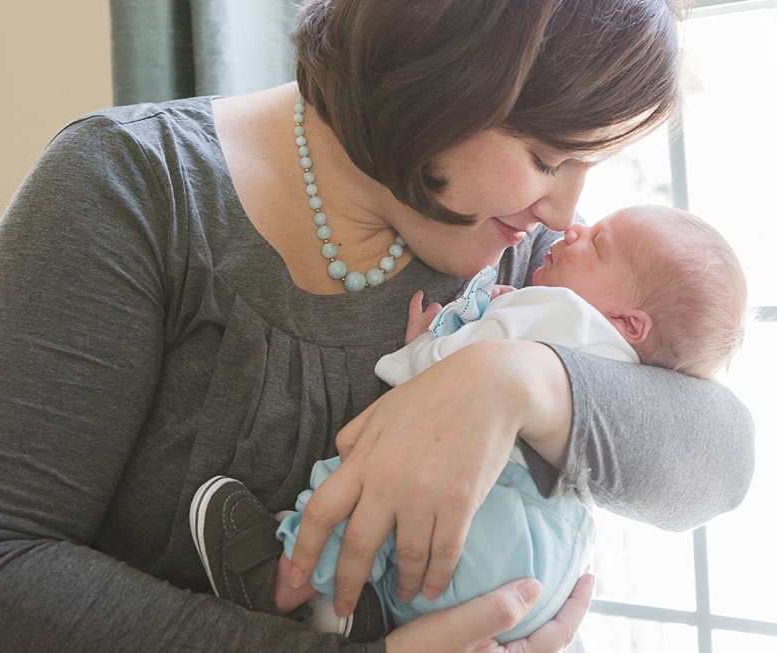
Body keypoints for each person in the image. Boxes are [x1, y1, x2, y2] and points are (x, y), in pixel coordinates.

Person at [0, 0, 755, 651]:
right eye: (546, 157)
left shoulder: (526, 260)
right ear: (443, 75)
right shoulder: (134, 190)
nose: (566, 208)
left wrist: (516, 380)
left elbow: (720, 460)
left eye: (588, 164)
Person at [188, 204, 748, 643]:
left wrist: (424, 348)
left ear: (630, 323)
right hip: (546, 570)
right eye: (546, 158)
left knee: (373, 464)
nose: (570, 225)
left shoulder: (561, 307)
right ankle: (353, 619)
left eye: (595, 242)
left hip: (481, 519)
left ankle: (287, 577)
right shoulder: (620, 355)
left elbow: (439, 381)